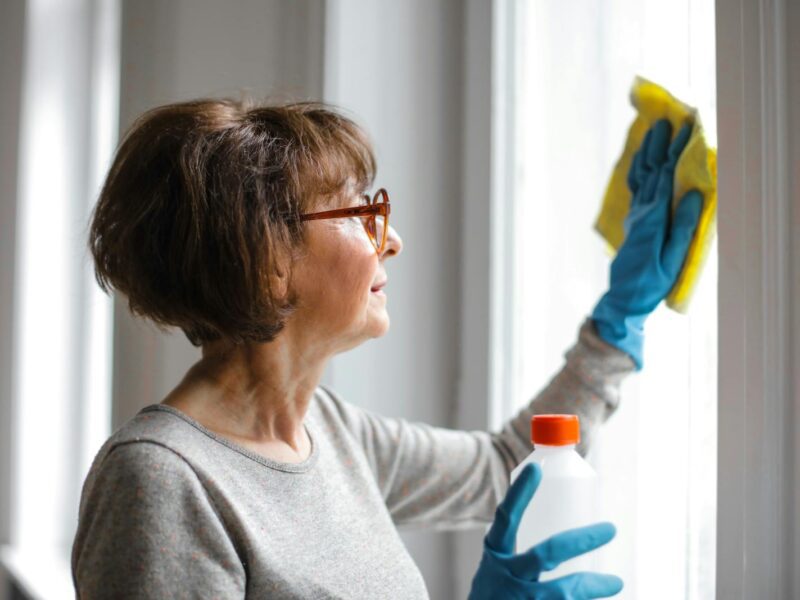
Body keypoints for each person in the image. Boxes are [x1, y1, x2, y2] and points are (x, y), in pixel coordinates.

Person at [71, 99, 700, 599]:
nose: (391, 239)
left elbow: (505, 467)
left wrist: (618, 320)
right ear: (265, 259)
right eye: (357, 212)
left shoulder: (332, 433)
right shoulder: (162, 481)